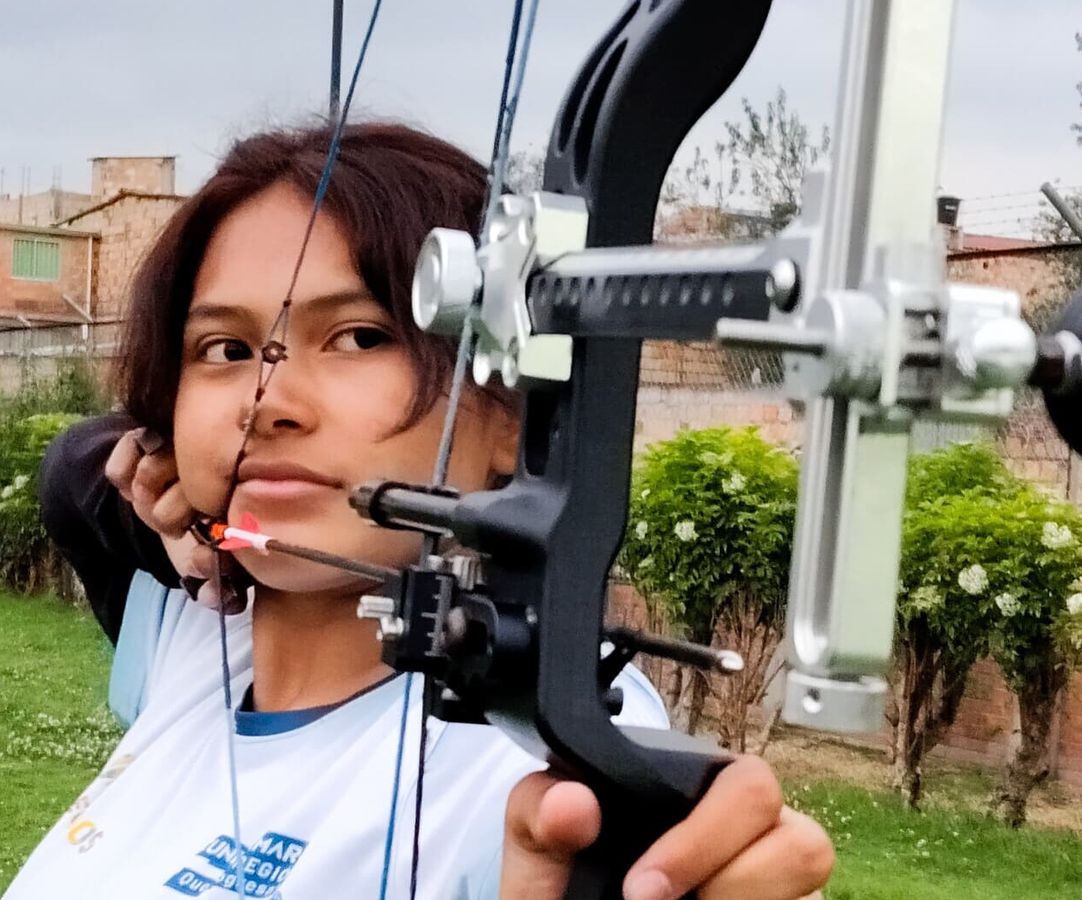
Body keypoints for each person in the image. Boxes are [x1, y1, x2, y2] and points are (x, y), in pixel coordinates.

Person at [8, 121, 834, 900]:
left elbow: (587, 840)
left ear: (515, 415)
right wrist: (170, 503)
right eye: (225, 350)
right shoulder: (203, 636)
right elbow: (73, 472)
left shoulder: (529, 749)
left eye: (361, 337)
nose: (268, 404)